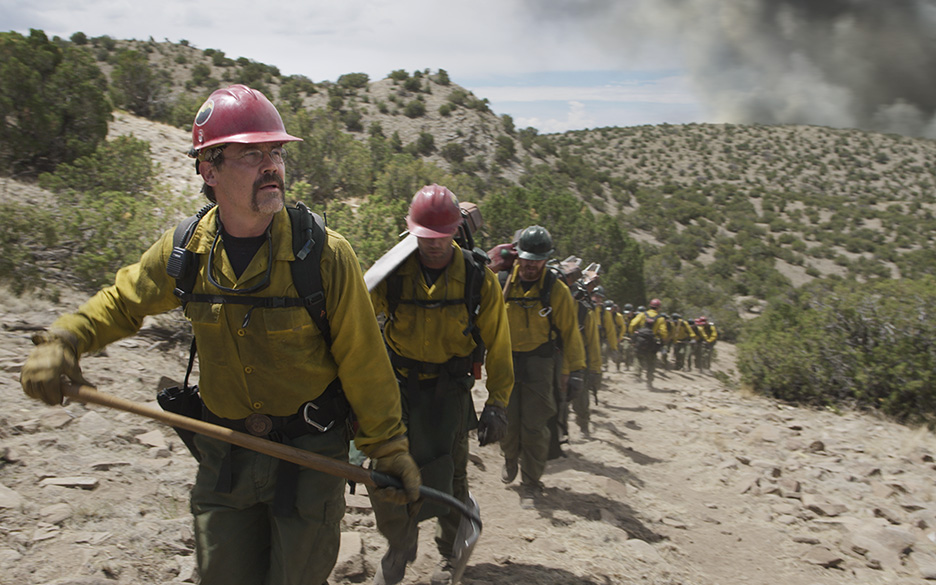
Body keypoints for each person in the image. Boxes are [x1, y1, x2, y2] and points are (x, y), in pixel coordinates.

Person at [18, 84, 421, 585]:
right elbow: (123, 302)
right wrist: (65, 340)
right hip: (224, 456)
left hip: (310, 456)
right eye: (252, 155)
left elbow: (364, 361)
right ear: (210, 169)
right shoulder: (187, 251)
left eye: (276, 152)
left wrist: (387, 448)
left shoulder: (323, 254)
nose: (272, 165)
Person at [368, 185, 513, 585]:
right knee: (387, 474)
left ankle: (450, 556)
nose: (433, 246)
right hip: (398, 389)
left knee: (451, 476)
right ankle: (399, 546)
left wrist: (498, 403)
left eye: (442, 237)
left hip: (450, 391)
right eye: (425, 238)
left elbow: (500, 345)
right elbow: (357, 324)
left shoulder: (476, 278)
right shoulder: (392, 274)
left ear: (456, 231)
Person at [501, 225, 586, 508]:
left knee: (535, 426)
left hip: (541, 363)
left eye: (537, 260)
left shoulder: (556, 290)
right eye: (526, 259)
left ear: (546, 259)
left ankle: (531, 484)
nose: (530, 265)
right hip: (508, 362)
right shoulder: (502, 284)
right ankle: (510, 457)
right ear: (517, 256)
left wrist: (574, 372)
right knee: (508, 422)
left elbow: (571, 332)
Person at [558, 257, 601, 440]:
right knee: (564, 400)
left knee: (576, 400)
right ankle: (563, 433)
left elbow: (593, 343)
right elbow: (593, 344)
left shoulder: (584, 312)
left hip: (573, 361)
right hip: (565, 361)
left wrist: (595, 370)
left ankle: (580, 428)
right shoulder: (555, 307)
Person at [629, 298, 668, 390]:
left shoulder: (642, 315)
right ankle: (649, 383)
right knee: (651, 363)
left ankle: (636, 377)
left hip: (640, 341)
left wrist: (633, 335)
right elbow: (664, 333)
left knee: (638, 358)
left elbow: (632, 324)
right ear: (658, 308)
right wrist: (663, 340)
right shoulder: (660, 319)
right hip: (651, 343)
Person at [611, 303, 627, 372]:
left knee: (618, 352)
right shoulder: (605, 314)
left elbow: (623, 328)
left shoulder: (618, 316)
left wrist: (620, 337)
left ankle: (618, 368)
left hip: (616, 337)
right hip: (607, 336)